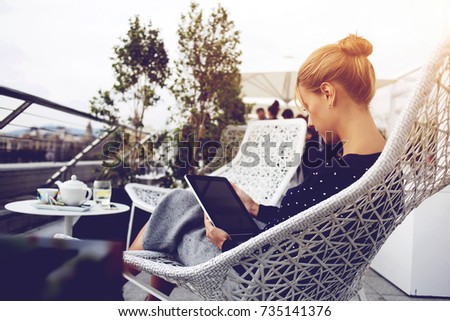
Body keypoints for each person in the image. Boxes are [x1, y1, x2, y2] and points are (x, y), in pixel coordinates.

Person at [128, 34, 386, 299]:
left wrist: (224, 242)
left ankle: (112, 281)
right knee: (183, 204)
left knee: (175, 214)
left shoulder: (336, 177)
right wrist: (254, 208)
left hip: (254, 285)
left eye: (308, 107)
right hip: (298, 277)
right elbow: (301, 227)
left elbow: (268, 270)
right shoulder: (379, 172)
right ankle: (125, 289)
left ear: (328, 93)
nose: (309, 121)